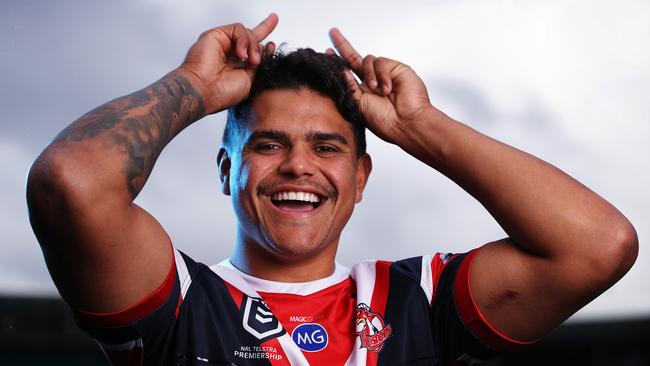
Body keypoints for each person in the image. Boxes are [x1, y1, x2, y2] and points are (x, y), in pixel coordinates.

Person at [26, 13, 638, 366]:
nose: (298, 166)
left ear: (360, 178)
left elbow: (598, 245)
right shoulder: (182, 305)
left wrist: (421, 127)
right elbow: (70, 184)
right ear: (224, 170)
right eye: (267, 144)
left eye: (327, 147)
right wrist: (191, 86)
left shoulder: (418, 305)